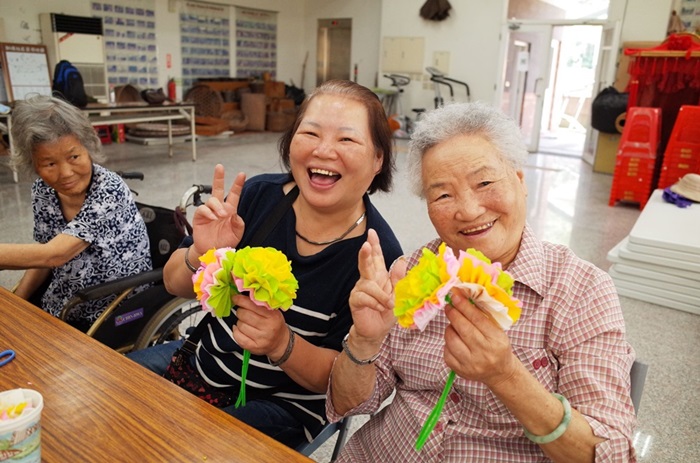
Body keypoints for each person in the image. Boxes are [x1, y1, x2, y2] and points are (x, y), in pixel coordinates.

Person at [327, 101, 637, 462]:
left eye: (485, 182)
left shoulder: (581, 290)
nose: (469, 210)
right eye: (442, 194)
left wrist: (505, 376)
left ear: (520, 181)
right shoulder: (410, 272)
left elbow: (608, 454)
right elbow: (349, 403)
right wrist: (365, 341)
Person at [127, 80, 403, 448]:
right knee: (113, 394)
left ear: (378, 158)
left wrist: (281, 342)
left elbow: (341, 384)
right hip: (200, 363)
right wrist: (200, 255)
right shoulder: (259, 197)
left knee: (193, 449)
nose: (323, 150)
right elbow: (173, 283)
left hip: (284, 406)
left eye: (346, 140)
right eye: (310, 132)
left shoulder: (376, 257)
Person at [1, 95, 152, 332]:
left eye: (74, 157)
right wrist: (18, 304)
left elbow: (55, 255)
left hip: (114, 307)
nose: (66, 173)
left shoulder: (108, 189)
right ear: (34, 165)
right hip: (67, 302)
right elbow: (43, 256)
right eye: (50, 164)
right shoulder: (43, 190)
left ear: (88, 148)